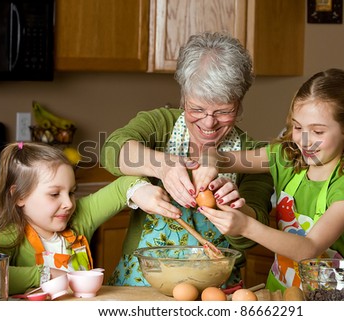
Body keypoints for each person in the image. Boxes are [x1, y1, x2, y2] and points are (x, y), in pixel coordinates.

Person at [100, 31, 274, 287]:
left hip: (214, 291)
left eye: (223, 112)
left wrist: (237, 209)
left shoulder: (252, 155)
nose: (208, 122)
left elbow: (251, 238)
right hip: (141, 286)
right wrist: (165, 166)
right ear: (183, 98)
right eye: (197, 109)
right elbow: (112, 150)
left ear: (239, 105)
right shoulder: (160, 125)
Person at [196, 68, 344, 292]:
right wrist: (209, 163)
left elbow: (309, 249)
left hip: (325, 301)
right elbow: (221, 158)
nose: (304, 141)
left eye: (317, 131)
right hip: (279, 291)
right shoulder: (286, 158)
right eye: (297, 127)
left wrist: (245, 225)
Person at [0, 142, 141, 295]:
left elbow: (123, 187)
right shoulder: (9, 235)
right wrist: (46, 275)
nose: (68, 204)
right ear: (19, 196)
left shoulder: (79, 219)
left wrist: (140, 190)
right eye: (54, 194)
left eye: (71, 192)